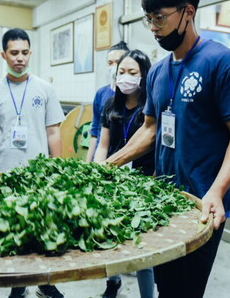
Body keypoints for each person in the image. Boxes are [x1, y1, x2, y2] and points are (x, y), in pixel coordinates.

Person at [104, 0, 230, 297]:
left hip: (204, 204)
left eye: (160, 18)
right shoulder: (159, 72)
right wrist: (110, 163)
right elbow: (150, 129)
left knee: (186, 290)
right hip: (164, 201)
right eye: (149, 19)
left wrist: (217, 190)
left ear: (188, 12)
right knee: (167, 286)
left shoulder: (226, 63)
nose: (153, 27)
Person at [0, 28, 65, 298]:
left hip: (39, 175)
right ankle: (18, 284)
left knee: (44, 230)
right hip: (3, 175)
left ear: (30, 53)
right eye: (14, 53)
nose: (20, 58)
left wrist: (57, 170)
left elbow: (53, 132)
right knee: (14, 233)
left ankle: (46, 284)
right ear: (4, 55)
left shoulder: (45, 89)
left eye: (24, 52)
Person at [94, 50, 155, 298]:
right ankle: (113, 282)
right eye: (121, 72)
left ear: (144, 76)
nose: (126, 77)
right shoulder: (111, 105)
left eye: (132, 72)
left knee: (143, 249)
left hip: (143, 185)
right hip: (113, 182)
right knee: (110, 237)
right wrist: (97, 172)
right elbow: (103, 145)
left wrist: (151, 184)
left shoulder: (150, 108)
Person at [85, 41, 129, 162]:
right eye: (110, 63)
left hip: (124, 160)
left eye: (118, 62)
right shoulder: (101, 94)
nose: (114, 66)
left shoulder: (133, 94)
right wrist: (88, 164)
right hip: (101, 158)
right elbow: (94, 132)